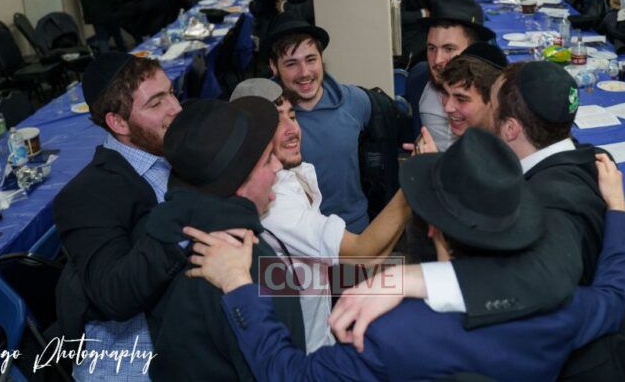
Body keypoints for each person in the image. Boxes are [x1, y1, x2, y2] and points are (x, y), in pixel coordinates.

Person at [183, 130, 625, 382]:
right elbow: (614, 297)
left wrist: (238, 285)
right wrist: (617, 211)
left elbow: (288, 375)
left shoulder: (387, 330)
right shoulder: (564, 306)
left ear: (433, 227)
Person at [332, 61, 609, 335]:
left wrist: (414, 279)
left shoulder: (553, 198)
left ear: (510, 128)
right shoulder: (578, 159)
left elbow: (546, 282)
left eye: (492, 105)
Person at [228, 78, 411, 352]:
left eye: (292, 116)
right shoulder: (274, 204)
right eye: (276, 121)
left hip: (322, 336)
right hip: (303, 355)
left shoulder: (293, 176)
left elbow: (305, 274)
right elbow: (363, 252)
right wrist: (413, 183)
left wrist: (392, 279)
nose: (292, 130)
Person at [145, 97, 306, 380]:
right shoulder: (254, 267)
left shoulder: (164, 236)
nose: (278, 166)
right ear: (240, 183)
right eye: (268, 158)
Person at [52, 53, 184, 380]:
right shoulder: (88, 195)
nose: (176, 108)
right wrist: (190, 211)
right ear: (118, 123)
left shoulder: (176, 148)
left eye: (171, 92)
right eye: (156, 103)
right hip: (134, 356)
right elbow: (115, 295)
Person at [265, 17, 371, 233]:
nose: (304, 72)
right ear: (274, 67)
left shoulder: (356, 102)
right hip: (298, 236)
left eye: (311, 59)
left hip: (356, 228)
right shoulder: (262, 113)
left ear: (322, 59)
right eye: (291, 64)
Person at [417, 0, 496, 152]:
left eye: (449, 49)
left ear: (473, 51)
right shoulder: (431, 105)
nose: (437, 60)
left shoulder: (494, 88)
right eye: (432, 48)